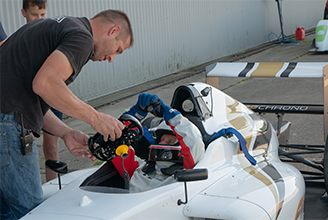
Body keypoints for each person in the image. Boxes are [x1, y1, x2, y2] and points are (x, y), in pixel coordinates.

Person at [0, 9, 133, 219]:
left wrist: (66, 133)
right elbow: (45, 84)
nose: (112, 59)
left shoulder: (59, 25)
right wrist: (96, 118)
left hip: (6, 121)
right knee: (32, 212)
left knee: (5, 209)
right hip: (7, 129)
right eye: (119, 49)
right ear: (113, 30)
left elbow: (26, 102)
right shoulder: (82, 38)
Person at [115, 93, 205, 192]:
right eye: (161, 140)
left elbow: (193, 141)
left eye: (170, 141)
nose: (162, 143)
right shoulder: (139, 168)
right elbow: (113, 140)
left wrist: (169, 114)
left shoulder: (186, 175)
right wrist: (133, 115)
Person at [21, 0, 59, 182]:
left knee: (52, 147)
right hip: (27, 102)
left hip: (51, 98)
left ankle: (53, 189)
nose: (39, 19)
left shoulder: (52, 37)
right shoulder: (18, 39)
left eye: (42, 14)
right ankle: (33, 191)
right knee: (26, 150)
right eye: (34, 14)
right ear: (24, 13)